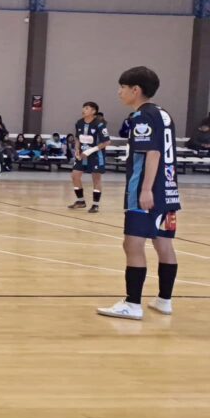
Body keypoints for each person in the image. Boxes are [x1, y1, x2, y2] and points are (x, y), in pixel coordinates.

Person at [98, 66, 181, 321]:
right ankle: (164, 300)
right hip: (169, 189)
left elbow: (152, 153)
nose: (119, 92)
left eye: (122, 87)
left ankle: (132, 304)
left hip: (146, 190)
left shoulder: (142, 117)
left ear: (136, 90)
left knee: (132, 243)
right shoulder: (163, 114)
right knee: (163, 243)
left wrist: (145, 189)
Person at [68, 101, 110, 213]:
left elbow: (106, 142)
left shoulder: (99, 124)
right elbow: (78, 138)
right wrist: (77, 149)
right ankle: (80, 201)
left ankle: (95, 204)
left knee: (96, 178)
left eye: (87, 108)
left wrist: (90, 151)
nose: (83, 110)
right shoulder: (79, 122)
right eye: (83, 108)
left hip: (96, 155)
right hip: (82, 155)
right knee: (75, 175)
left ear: (93, 111)